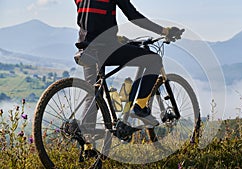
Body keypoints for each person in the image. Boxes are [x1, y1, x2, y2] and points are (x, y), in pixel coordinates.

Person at [74, 0, 183, 129]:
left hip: (85, 49)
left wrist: (115, 38)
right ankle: (140, 107)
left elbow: (92, 19)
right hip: (105, 49)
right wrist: (165, 31)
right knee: (154, 59)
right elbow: (133, 16)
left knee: (93, 93)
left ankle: (86, 136)